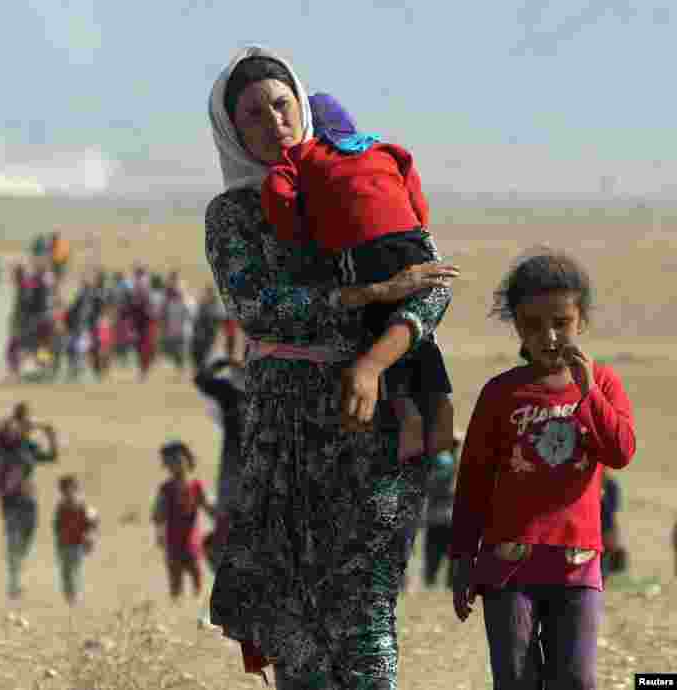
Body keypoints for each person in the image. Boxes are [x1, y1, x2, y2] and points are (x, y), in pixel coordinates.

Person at [205, 46, 459, 687]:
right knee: (292, 618)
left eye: (282, 105)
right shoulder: (233, 214)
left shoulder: (354, 176)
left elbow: (430, 284)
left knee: (364, 607)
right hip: (280, 436)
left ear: (302, 105)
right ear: (233, 130)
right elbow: (258, 309)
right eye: (254, 116)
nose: (274, 123)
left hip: (370, 425)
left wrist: (375, 358)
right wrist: (363, 295)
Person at [450, 250, 636, 690]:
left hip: (577, 565)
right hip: (508, 566)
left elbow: (620, 452)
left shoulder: (604, 385)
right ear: (516, 325)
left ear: (581, 320)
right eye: (532, 325)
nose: (549, 336)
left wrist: (589, 392)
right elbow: (474, 480)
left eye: (561, 322)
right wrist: (462, 558)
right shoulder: (501, 393)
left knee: (577, 679)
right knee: (515, 679)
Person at [260, 92, 455, 464]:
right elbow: (416, 196)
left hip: (362, 250)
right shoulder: (386, 149)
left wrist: (304, 232)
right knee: (420, 334)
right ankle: (441, 415)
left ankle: (407, 417)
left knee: (376, 324)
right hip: (411, 241)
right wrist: (414, 230)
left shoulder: (303, 155)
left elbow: (278, 194)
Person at [0, 414, 58, 600]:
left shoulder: (29, 448)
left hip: (29, 501)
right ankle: (14, 583)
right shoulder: (2, 449)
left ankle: (16, 573)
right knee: (13, 541)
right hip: (11, 502)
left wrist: (50, 435)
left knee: (26, 541)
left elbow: (52, 456)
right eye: (12, 429)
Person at [193, 358, 245, 572]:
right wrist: (224, 362)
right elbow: (201, 379)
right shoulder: (230, 393)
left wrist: (224, 364)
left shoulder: (232, 394)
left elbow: (201, 379)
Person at [152, 441, 215, 601]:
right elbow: (158, 514)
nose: (176, 466)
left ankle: (197, 603)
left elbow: (208, 507)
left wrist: (220, 518)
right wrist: (159, 534)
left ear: (188, 460)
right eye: (171, 462)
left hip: (192, 541)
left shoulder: (196, 486)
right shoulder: (165, 489)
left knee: (196, 575)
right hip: (173, 542)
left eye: (179, 461)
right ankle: (176, 604)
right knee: (175, 578)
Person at [422, 433, 461, 588]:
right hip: (444, 517)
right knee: (443, 560)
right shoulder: (445, 461)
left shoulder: (443, 461)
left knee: (436, 560)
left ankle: (435, 586)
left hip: (441, 518)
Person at [52, 474, 99, 605]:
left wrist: (90, 537)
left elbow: (93, 522)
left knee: (74, 569)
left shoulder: (83, 506)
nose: (67, 492)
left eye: (70, 489)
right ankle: (69, 594)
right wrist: (59, 538)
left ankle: (74, 595)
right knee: (65, 571)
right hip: (63, 544)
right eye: (64, 490)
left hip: (77, 544)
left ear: (75, 489)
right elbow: (57, 525)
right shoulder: (61, 507)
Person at [600, 470, 627, 579]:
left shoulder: (611, 485)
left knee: (603, 569)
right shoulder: (610, 484)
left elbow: (612, 513)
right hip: (593, 533)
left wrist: (614, 536)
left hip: (606, 531)